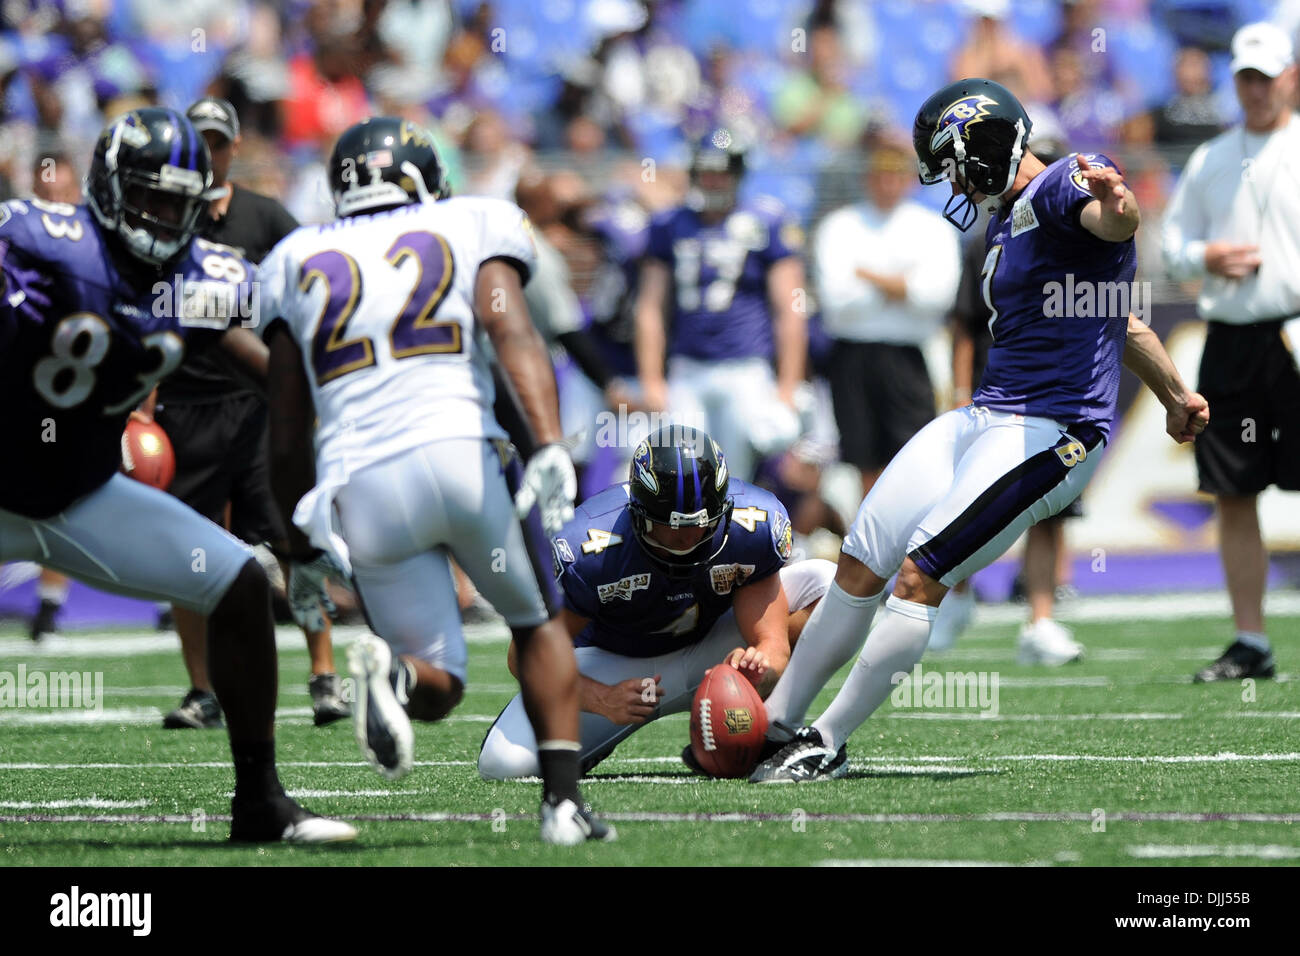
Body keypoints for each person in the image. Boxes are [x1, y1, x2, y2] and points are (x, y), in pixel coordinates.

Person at [747, 78, 1209, 783]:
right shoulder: (1006, 220)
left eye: (956, 161)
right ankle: (776, 720)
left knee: (919, 573)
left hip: (1054, 427)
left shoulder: (1058, 186)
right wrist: (1176, 393)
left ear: (986, 141)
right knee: (861, 559)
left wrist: (1120, 205)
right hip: (987, 415)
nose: (956, 180)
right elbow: (1121, 317)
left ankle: (826, 742)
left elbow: (1111, 221)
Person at [0, 107, 354, 842]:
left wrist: (343, 411)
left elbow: (266, 362)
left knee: (238, 582)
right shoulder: (40, 243)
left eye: (180, 203)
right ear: (109, 185)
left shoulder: (199, 275)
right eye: (151, 196)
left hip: (80, 494)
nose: (164, 216)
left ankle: (259, 802)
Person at [256, 116, 613, 845]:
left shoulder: (295, 256)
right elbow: (509, 328)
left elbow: (286, 426)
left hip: (362, 484)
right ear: (422, 178)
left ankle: (393, 677)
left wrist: (297, 545)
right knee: (536, 620)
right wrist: (545, 441)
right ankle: (563, 806)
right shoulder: (473, 219)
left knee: (438, 678)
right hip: (461, 453)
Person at [477, 424, 834, 779]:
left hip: (710, 657)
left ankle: (774, 731)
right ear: (637, 513)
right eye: (672, 527)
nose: (688, 538)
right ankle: (591, 743)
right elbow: (523, 655)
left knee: (827, 584)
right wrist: (602, 698)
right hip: (614, 670)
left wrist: (760, 665)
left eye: (701, 525)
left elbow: (771, 645)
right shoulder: (589, 549)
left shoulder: (751, 526)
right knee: (504, 764)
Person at [152, 96, 349, 730]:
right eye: (197, 142)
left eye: (216, 142)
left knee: (296, 539)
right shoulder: (158, 222)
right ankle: (202, 688)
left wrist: (307, 386)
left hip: (261, 405)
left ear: (234, 148)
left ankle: (323, 674)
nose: (208, 155)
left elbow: (316, 285)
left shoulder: (266, 220)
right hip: (184, 405)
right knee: (187, 553)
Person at [1161, 22, 1300, 683]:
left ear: (1291, 78)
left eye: (1266, 77)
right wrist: (1206, 256)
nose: (1255, 90)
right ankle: (1251, 639)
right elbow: (1174, 244)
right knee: (1233, 489)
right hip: (1233, 338)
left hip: (1295, 330)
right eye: (1245, 77)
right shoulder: (1212, 157)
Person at [635, 127, 807, 484]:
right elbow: (651, 307)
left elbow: (790, 308)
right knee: (678, 474)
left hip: (745, 368)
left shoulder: (768, 221)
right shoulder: (670, 224)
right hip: (687, 369)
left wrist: (788, 385)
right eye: (706, 172)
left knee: (734, 479)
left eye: (721, 172)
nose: (713, 181)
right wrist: (652, 379)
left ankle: (735, 541)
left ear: (738, 173)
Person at [813, 135, 960, 500]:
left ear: (909, 178)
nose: (887, 183)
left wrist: (868, 276)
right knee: (861, 457)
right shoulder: (840, 226)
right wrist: (903, 284)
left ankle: (907, 543)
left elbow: (937, 296)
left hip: (908, 357)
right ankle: (868, 546)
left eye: (896, 175)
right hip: (851, 356)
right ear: (867, 177)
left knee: (913, 453)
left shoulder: (931, 228)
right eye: (880, 175)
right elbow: (836, 299)